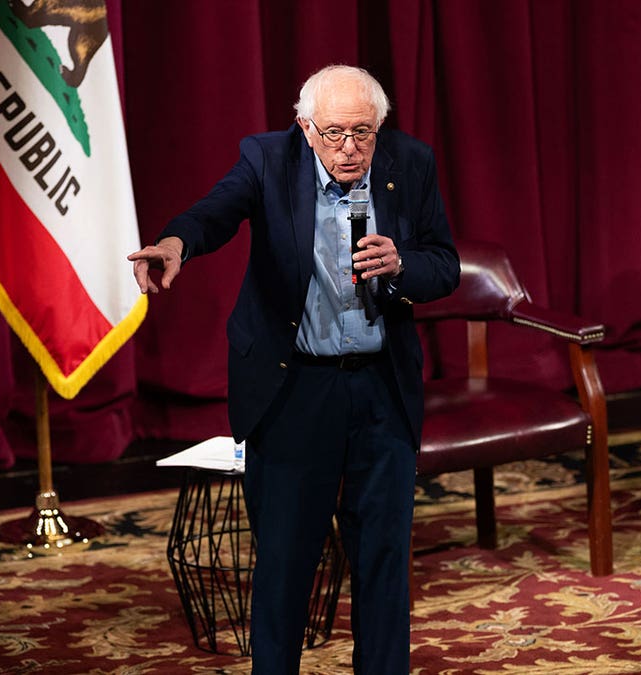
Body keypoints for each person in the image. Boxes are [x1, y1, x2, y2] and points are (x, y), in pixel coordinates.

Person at [128, 65, 460, 673]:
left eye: (363, 132)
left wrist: (403, 265)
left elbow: (445, 264)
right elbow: (214, 213)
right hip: (296, 387)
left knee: (384, 559)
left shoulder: (410, 163)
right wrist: (176, 244)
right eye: (334, 133)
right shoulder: (268, 159)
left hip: (381, 387)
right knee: (285, 562)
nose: (350, 148)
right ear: (306, 128)